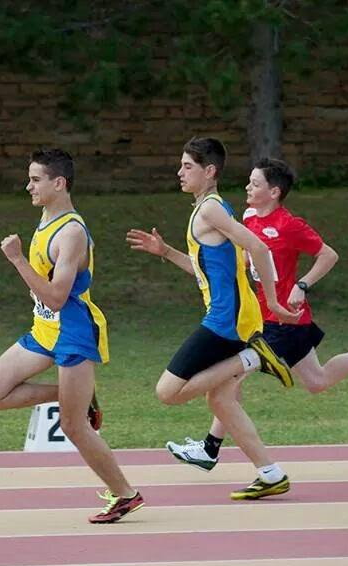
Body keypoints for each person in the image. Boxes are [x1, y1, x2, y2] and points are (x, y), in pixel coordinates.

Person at [153, 158, 348, 477]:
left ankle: (212, 448)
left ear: (274, 191)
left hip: (285, 320)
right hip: (258, 316)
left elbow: (328, 255)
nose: (247, 188)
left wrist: (302, 284)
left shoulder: (289, 225)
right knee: (315, 381)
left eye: (255, 184)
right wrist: (169, 253)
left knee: (230, 383)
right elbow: (218, 272)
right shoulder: (248, 221)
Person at [125, 137, 302, 501]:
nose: (180, 172)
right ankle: (271, 474)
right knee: (222, 402)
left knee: (167, 393)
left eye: (187, 166)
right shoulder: (208, 210)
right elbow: (206, 271)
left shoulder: (210, 211)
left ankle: (255, 357)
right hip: (233, 318)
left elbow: (259, 246)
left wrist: (274, 301)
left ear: (210, 171)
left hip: (227, 323)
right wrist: (166, 251)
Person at [0, 148, 142, 524]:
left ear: (58, 183)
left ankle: (126, 495)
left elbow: (56, 295)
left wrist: (17, 259)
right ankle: (78, 397)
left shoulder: (71, 232)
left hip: (73, 332)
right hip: (44, 329)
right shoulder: (46, 218)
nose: (28, 186)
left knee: (72, 426)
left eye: (35, 179)